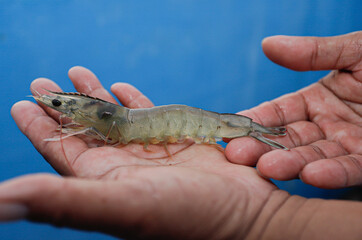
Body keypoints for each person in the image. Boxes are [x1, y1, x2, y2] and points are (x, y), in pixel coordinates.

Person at [1, 31, 361, 239]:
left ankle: (251, 129)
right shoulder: (100, 115)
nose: (62, 109)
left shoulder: (109, 121)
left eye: (64, 106)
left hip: (193, 122)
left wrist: (260, 223)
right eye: (63, 106)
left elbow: (98, 122)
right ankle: (253, 130)